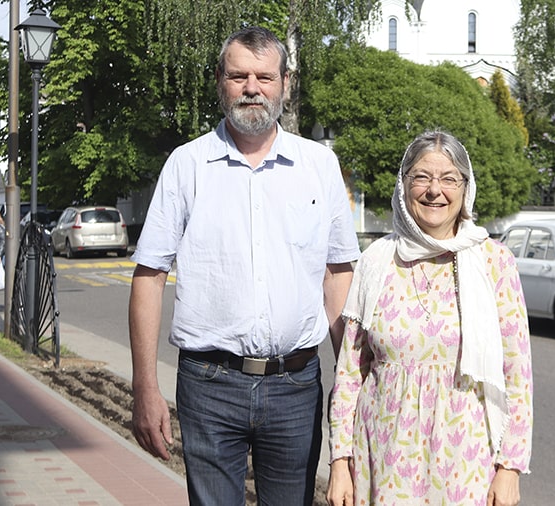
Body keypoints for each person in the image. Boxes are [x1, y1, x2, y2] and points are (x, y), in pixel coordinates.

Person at [128, 26, 360, 505]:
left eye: (264, 77)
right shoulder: (186, 166)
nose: (252, 88)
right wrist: (145, 387)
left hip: (296, 386)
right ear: (220, 81)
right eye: (239, 76)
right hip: (209, 386)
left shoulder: (318, 166)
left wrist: (351, 383)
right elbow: (149, 277)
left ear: (285, 83)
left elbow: (337, 275)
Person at [327, 131, 533, 506]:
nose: (434, 190)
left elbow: (518, 374)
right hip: (384, 457)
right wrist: (340, 462)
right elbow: (349, 373)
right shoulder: (377, 261)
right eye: (421, 176)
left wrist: (510, 469)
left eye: (449, 178)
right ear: (403, 184)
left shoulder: (493, 262)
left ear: (465, 189)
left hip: (466, 462)